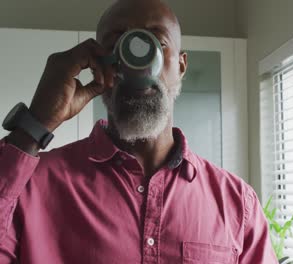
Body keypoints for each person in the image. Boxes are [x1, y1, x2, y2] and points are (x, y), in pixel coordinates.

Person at [0, 0, 277, 263]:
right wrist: (35, 122)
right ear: (98, 62)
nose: (138, 58)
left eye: (158, 41)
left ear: (180, 66)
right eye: (118, 44)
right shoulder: (30, 185)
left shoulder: (237, 204)